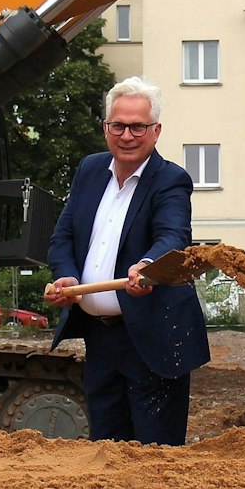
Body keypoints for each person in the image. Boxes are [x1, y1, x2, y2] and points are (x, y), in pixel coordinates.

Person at [45, 76, 209, 444]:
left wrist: (149, 265)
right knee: (106, 448)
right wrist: (67, 277)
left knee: (155, 455)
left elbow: (174, 236)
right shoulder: (90, 170)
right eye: (118, 125)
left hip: (152, 340)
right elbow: (64, 236)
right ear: (106, 127)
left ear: (156, 131)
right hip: (100, 339)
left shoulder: (171, 180)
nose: (127, 135)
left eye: (138, 127)